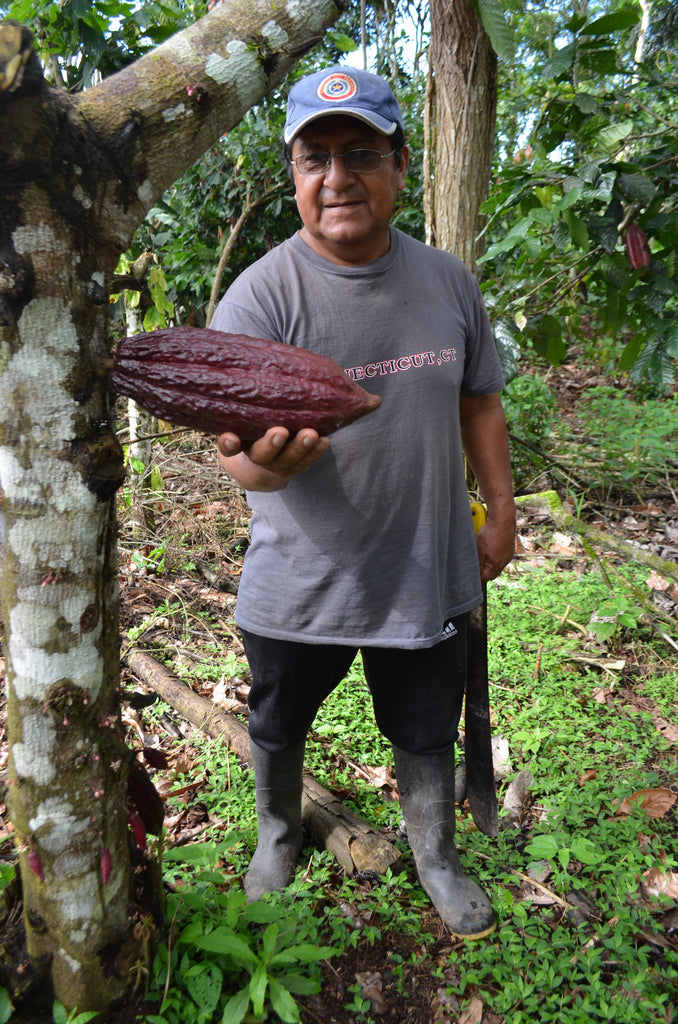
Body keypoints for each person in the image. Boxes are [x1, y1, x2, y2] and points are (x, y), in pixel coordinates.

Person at [212, 66, 515, 940]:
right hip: (302, 577)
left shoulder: (448, 281)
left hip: (425, 568)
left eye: (359, 153)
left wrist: (501, 510)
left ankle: (436, 855)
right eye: (315, 159)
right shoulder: (262, 297)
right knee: (277, 717)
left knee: (426, 727)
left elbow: (479, 400)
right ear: (294, 176)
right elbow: (241, 462)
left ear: (400, 163)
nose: (337, 178)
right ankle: (277, 832)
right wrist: (271, 465)